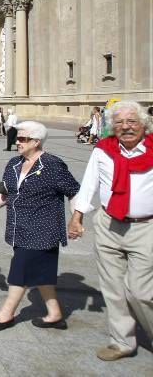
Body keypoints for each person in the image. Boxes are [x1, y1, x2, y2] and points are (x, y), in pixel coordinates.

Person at [0, 121, 80, 331]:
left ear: (37, 141)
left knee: (20, 267)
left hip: (43, 228)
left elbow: (75, 191)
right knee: (42, 272)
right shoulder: (14, 164)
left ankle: (7, 313)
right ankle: (55, 313)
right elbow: (5, 194)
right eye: (17, 137)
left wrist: (76, 218)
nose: (17, 142)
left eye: (23, 139)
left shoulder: (53, 165)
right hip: (18, 227)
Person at [68, 101, 153, 361]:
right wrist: (77, 216)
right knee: (113, 288)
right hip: (108, 223)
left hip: (145, 227)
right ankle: (122, 342)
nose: (125, 127)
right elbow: (90, 183)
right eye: (119, 123)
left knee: (140, 291)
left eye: (131, 122)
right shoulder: (103, 150)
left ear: (144, 125)